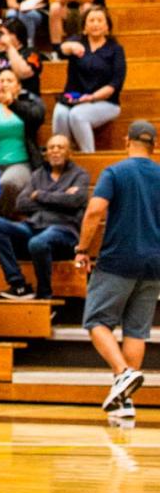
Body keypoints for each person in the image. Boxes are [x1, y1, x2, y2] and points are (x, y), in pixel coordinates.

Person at [75, 120, 160, 419]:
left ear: (127, 141)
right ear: (155, 146)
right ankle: (125, 402)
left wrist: (83, 248)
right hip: (154, 263)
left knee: (96, 320)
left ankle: (123, 373)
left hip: (118, 259)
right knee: (136, 330)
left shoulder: (115, 172)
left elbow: (95, 211)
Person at [0, 134, 89, 300]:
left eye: (60, 147)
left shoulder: (79, 175)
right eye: (51, 148)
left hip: (64, 230)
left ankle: (44, 296)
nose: (55, 151)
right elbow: (21, 204)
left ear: (69, 152)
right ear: (46, 153)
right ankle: (18, 284)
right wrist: (60, 197)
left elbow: (75, 200)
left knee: (38, 242)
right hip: (33, 227)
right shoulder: (38, 175)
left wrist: (40, 195)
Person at [51, 5, 125, 152]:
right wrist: (70, 46)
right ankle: (63, 154)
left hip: (105, 101)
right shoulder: (78, 41)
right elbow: (60, 50)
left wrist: (91, 97)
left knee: (77, 115)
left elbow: (115, 84)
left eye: (99, 20)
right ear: (84, 26)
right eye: (91, 20)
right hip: (73, 98)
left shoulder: (115, 50)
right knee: (60, 113)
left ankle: (88, 157)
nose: (95, 24)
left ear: (107, 27)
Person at [0, 67, 44, 215]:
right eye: (1, 80)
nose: (5, 83)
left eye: (9, 80)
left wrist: (12, 103)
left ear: (19, 86)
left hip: (22, 164)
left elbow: (36, 118)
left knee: (7, 183)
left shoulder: (29, 104)